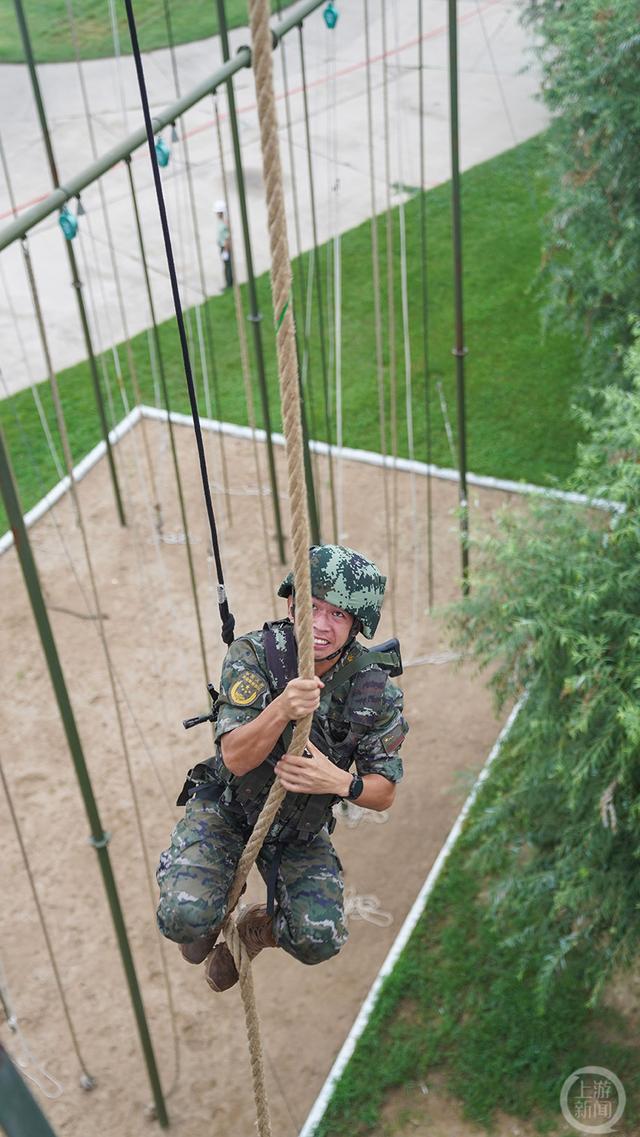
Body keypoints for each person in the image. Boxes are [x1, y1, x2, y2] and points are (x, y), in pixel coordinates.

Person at [156, 544, 408, 992]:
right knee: (184, 920)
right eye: (312, 608)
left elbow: (383, 789)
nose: (322, 626)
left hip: (299, 827)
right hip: (230, 809)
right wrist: (280, 709)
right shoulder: (254, 655)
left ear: (356, 626)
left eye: (338, 615)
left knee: (320, 938)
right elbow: (234, 757)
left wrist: (341, 782)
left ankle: (256, 930)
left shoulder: (374, 692)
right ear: (292, 605)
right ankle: (206, 920)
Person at [215, 199, 233, 290]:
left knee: (227, 267)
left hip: (225, 247)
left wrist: (225, 250)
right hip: (222, 246)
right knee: (226, 266)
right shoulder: (222, 222)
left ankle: (229, 284)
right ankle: (229, 282)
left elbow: (227, 238)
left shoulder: (224, 224)